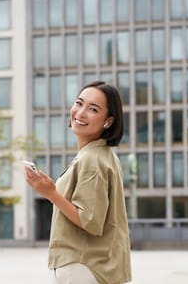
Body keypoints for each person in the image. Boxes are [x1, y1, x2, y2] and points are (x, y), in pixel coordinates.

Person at [25, 81, 132, 284]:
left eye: (93, 109)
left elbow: (89, 221)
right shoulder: (100, 156)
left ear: (108, 121)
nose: (80, 113)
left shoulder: (92, 160)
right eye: (79, 103)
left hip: (83, 267)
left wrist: (50, 193)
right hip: (92, 267)